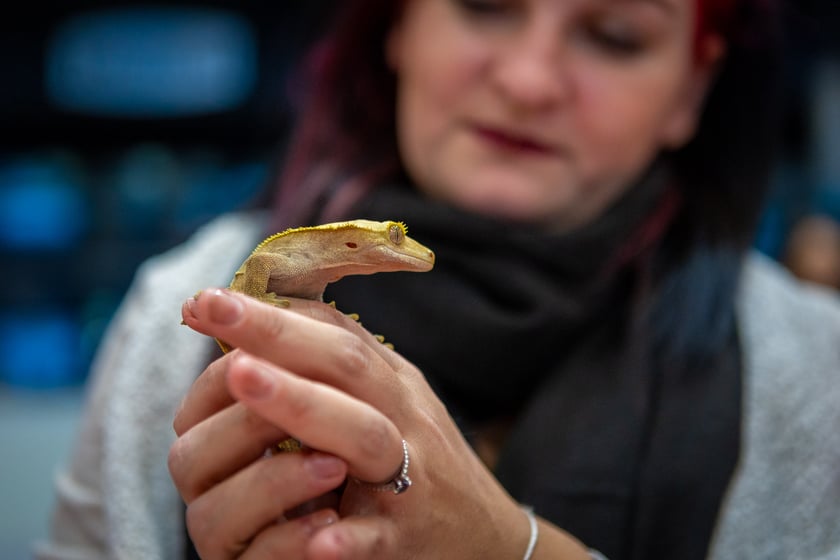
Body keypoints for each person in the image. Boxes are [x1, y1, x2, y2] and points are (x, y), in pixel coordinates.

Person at [36, 0, 840, 559]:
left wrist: (514, 549)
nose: (528, 81)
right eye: (484, 5)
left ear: (691, 90)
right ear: (399, 24)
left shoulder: (814, 370)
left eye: (615, 36)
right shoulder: (175, 309)